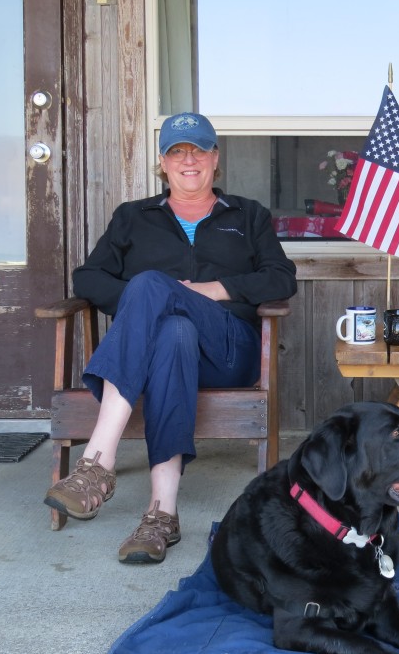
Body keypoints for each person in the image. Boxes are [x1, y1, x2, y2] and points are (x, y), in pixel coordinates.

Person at [44, 112, 297, 564]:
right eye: (177, 151)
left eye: (199, 150)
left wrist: (209, 291)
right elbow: (88, 278)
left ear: (215, 158)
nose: (189, 160)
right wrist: (150, 304)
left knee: (152, 287)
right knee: (171, 328)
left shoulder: (248, 214)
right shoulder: (133, 217)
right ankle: (162, 514)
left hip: (228, 348)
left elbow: (281, 278)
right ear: (163, 162)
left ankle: (97, 462)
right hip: (161, 357)